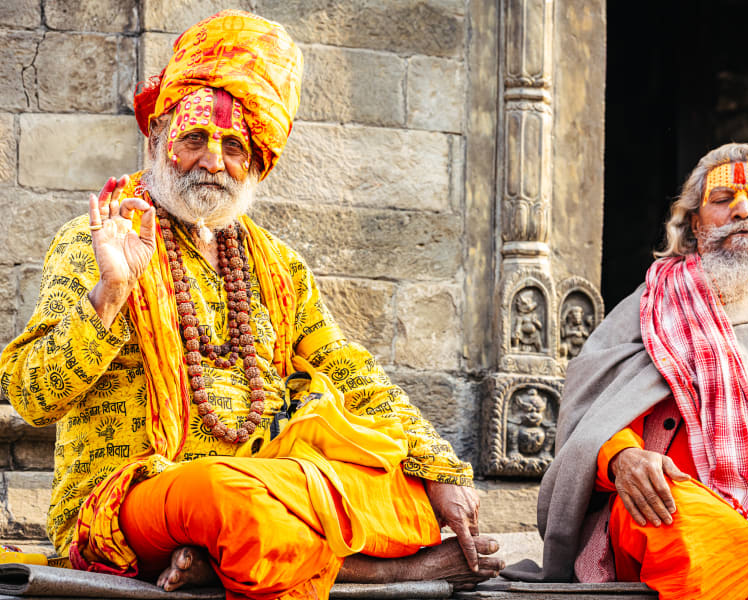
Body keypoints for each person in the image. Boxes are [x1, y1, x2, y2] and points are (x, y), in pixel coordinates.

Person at [0, 10, 503, 599]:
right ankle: (398, 569)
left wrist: (438, 466)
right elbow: (33, 397)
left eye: (233, 146)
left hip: (270, 477)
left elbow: (348, 369)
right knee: (226, 497)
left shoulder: (277, 266)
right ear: (159, 141)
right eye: (194, 139)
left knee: (408, 492)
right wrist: (110, 293)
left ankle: (225, 561)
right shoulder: (98, 239)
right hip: (138, 496)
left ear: (258, 163)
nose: (213, 161)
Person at [522, 143, 748, 599]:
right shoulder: (649, 306)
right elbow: (592, 410)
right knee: (665, 516)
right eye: (723, 199)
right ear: (695, 223)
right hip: (682, 503)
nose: (742, 211)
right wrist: (622, 458)